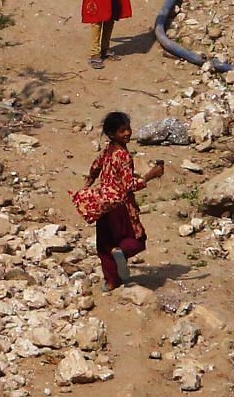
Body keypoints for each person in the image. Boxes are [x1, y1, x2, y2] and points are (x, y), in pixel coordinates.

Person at [71, 111, 165, 290]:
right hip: (121, 206)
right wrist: (150, 176)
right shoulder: (123, 155)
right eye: (123, 131)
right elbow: (129, 185)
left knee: (104, 244)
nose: (128, 133)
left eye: (128, 129)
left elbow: (95, 167)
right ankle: (121, 252)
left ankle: (111, 281)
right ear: (113, 134)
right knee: (136, 239)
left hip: (104, 204)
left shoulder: (108, 149)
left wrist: (86, 186)